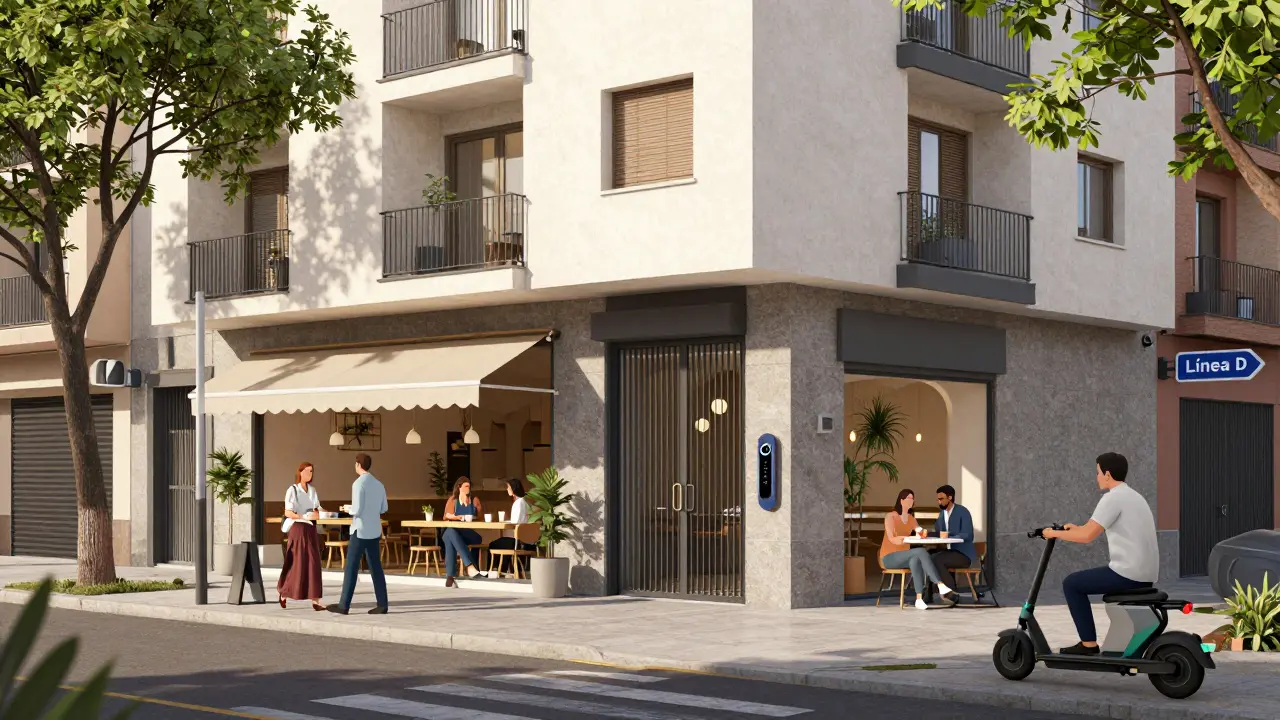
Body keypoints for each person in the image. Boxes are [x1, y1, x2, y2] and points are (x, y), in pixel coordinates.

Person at [1043, 452, 1158, 656]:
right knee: (1078, 581)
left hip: (1127, 573)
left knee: (1072, 583)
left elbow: (1087, 536)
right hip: (1145, 573)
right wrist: (1071, 529)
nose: (1096, 477)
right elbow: (1091, 527)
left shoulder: (1112, 497)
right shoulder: (1133, 496)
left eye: (1097, 472)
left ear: (1107, 474)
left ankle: (1088, 645)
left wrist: (1052, 533)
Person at [327, 453, 389, 615]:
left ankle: (344, 605)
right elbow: (384, 508)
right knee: (376, 568)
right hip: (374, 531)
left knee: (351, 567)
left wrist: (348, 509)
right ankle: (382, 604)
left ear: (358, 465)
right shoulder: (379, 484)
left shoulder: (358, 484)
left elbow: (357, 509)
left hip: (360, 531)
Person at [880, 488, 956, 610]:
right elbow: (892, 538)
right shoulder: (891, 517)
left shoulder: (911, 518)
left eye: (912, 498)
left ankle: (919, 599)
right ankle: (939, 584)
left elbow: (920, 531)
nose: (911, 500)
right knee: (920, 551)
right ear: (901, 500)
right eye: (909, 498)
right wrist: (907, 538)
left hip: (904, 555)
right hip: (889, 557)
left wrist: (923, 532)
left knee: (915, 560)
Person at [277, 461, 326, 611]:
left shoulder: (312, 490)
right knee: (297, 564)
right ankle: (284, 593)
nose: (309, 474)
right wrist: (301, 516)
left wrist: (321, 512)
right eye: (307, 471)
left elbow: (317, 507)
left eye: (311, 471)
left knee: (314, 563)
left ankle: (316, 600)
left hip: (311, 529)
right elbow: (288, 512)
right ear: (300, 472)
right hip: (298, 528)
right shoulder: (292, 490)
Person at [926, 484, 974, 606]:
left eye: (941, 499)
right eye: (938, 499)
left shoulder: (963, 511)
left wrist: (950, 536)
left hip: (963, 554)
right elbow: (939, 532)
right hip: (948, 552)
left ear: (950, 497)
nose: (939, 501)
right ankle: (927, 594)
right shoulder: (942, 514)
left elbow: (968, 534)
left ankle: (953, 593)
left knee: (938, 559)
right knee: (926, 556)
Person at [440, 477, 488, 587]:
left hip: (468, 533)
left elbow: (481, 515)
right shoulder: (453, 499)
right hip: (455, 530)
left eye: (469, 487)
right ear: (459, 487)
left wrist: (472, 507)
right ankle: (469, 567)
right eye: (466, 486)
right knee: (450, 533)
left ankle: (451, 575)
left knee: (449, 535)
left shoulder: (474, 499)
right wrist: (453, 517)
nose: (468, 489)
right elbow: (445, 516)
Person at [487, 478, 538, 575]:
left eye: (508, 487)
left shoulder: (518, 503)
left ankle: (496, 571)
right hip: (527, 541)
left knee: (494, 544)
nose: (507, 489)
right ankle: (502, 570)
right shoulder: (525, 502)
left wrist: (505, 521)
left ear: (514, 489)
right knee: (503, 542)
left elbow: (515, 522)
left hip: (519, 542)